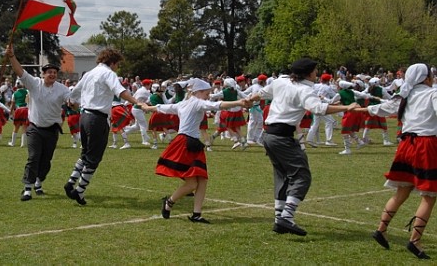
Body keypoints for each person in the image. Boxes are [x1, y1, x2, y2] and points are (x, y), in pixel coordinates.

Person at [249, 59, 359, 236]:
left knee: (282, 175)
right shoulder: (305, 90)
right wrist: (347, 107)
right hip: (281, 137)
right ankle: (286, 216)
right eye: (315, 71)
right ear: (308, 73)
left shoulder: (280, 81)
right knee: (301, 176)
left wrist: (249, 99)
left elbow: (261, 94)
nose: (317, 73)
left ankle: (280, 219)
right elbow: (318, 108)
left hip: (269, 136)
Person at [143, 78, 252, 223]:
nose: (208, 96)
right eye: (206, 93)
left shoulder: (183, 103)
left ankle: (196, 214)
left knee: (202, 179)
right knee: (192, 184)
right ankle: (169, 202)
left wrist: (147, 108)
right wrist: (239, 102)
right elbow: (217, 105)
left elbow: (161, 108)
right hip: (185, 143)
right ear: (198, 92)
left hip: (190, 143)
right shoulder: (195, 102)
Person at [357, 64, 436, 259]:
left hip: (406, 144)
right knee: (430, 195)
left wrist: (363, 108)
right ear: (426, 78)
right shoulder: (432, 94)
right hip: (426, 145)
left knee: (402, 191)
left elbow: (383, 108)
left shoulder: (406, 95)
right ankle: (415, 241)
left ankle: (381, 229)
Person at [62, 48, 142, 205]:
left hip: (84, 117)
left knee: (85, 152)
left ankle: (71, 182)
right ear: (112, 63)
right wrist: (137, 102)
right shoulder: (108, 73)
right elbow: (120, 91)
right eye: (117, 64)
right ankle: (79, 191)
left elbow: (74, 93)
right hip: (97, 118)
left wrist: (72, 102)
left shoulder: (89, 73)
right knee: (94, 157)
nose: (117, 67)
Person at [5, 45, 71, 201]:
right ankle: (27, 188)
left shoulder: (61, 89)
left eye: (55, 72)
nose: (52, 75)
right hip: (35, 127)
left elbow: (71, 100)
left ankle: (39, 181)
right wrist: (12, 56)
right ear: (43, 74)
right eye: (49, 72)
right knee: (33, 157)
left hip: (52, 129)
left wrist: (73, 103)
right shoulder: (34, 84)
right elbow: (20, 71)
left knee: (46, 160)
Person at [8, 79, 29, 148]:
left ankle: (13, 143)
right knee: (24, 126)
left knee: (16, 126)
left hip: (18, 110)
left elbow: (12, 104)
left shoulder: (14, 94)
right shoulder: (27, 91)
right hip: (26, 109)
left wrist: (10, 112)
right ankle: (23, 144)